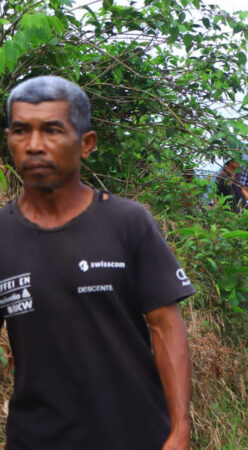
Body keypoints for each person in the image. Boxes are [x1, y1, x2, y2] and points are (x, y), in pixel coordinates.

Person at [0, 75, 195, 449]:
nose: (34, 145)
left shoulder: (128, 223)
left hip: (136, 434)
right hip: (36, 438)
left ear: (86, 143)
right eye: (21, 131)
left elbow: (165, 328)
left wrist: (179, 430)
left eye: (52, 130)